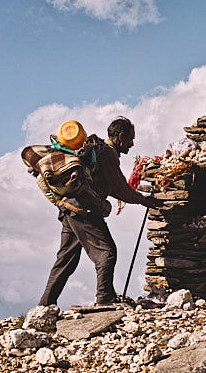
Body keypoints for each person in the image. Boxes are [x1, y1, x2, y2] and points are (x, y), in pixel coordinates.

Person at [39, 117, 159, 307]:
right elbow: (120, 188)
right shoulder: (107, 154)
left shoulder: (98, 151)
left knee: (65, 260)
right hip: (84, 210)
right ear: (120, 137)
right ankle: (104, 299)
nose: (132, 144)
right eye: (130, 139)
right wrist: (145, 201)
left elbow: (106, 187)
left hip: (69, 209)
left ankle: (45, 306)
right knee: (107, 252)